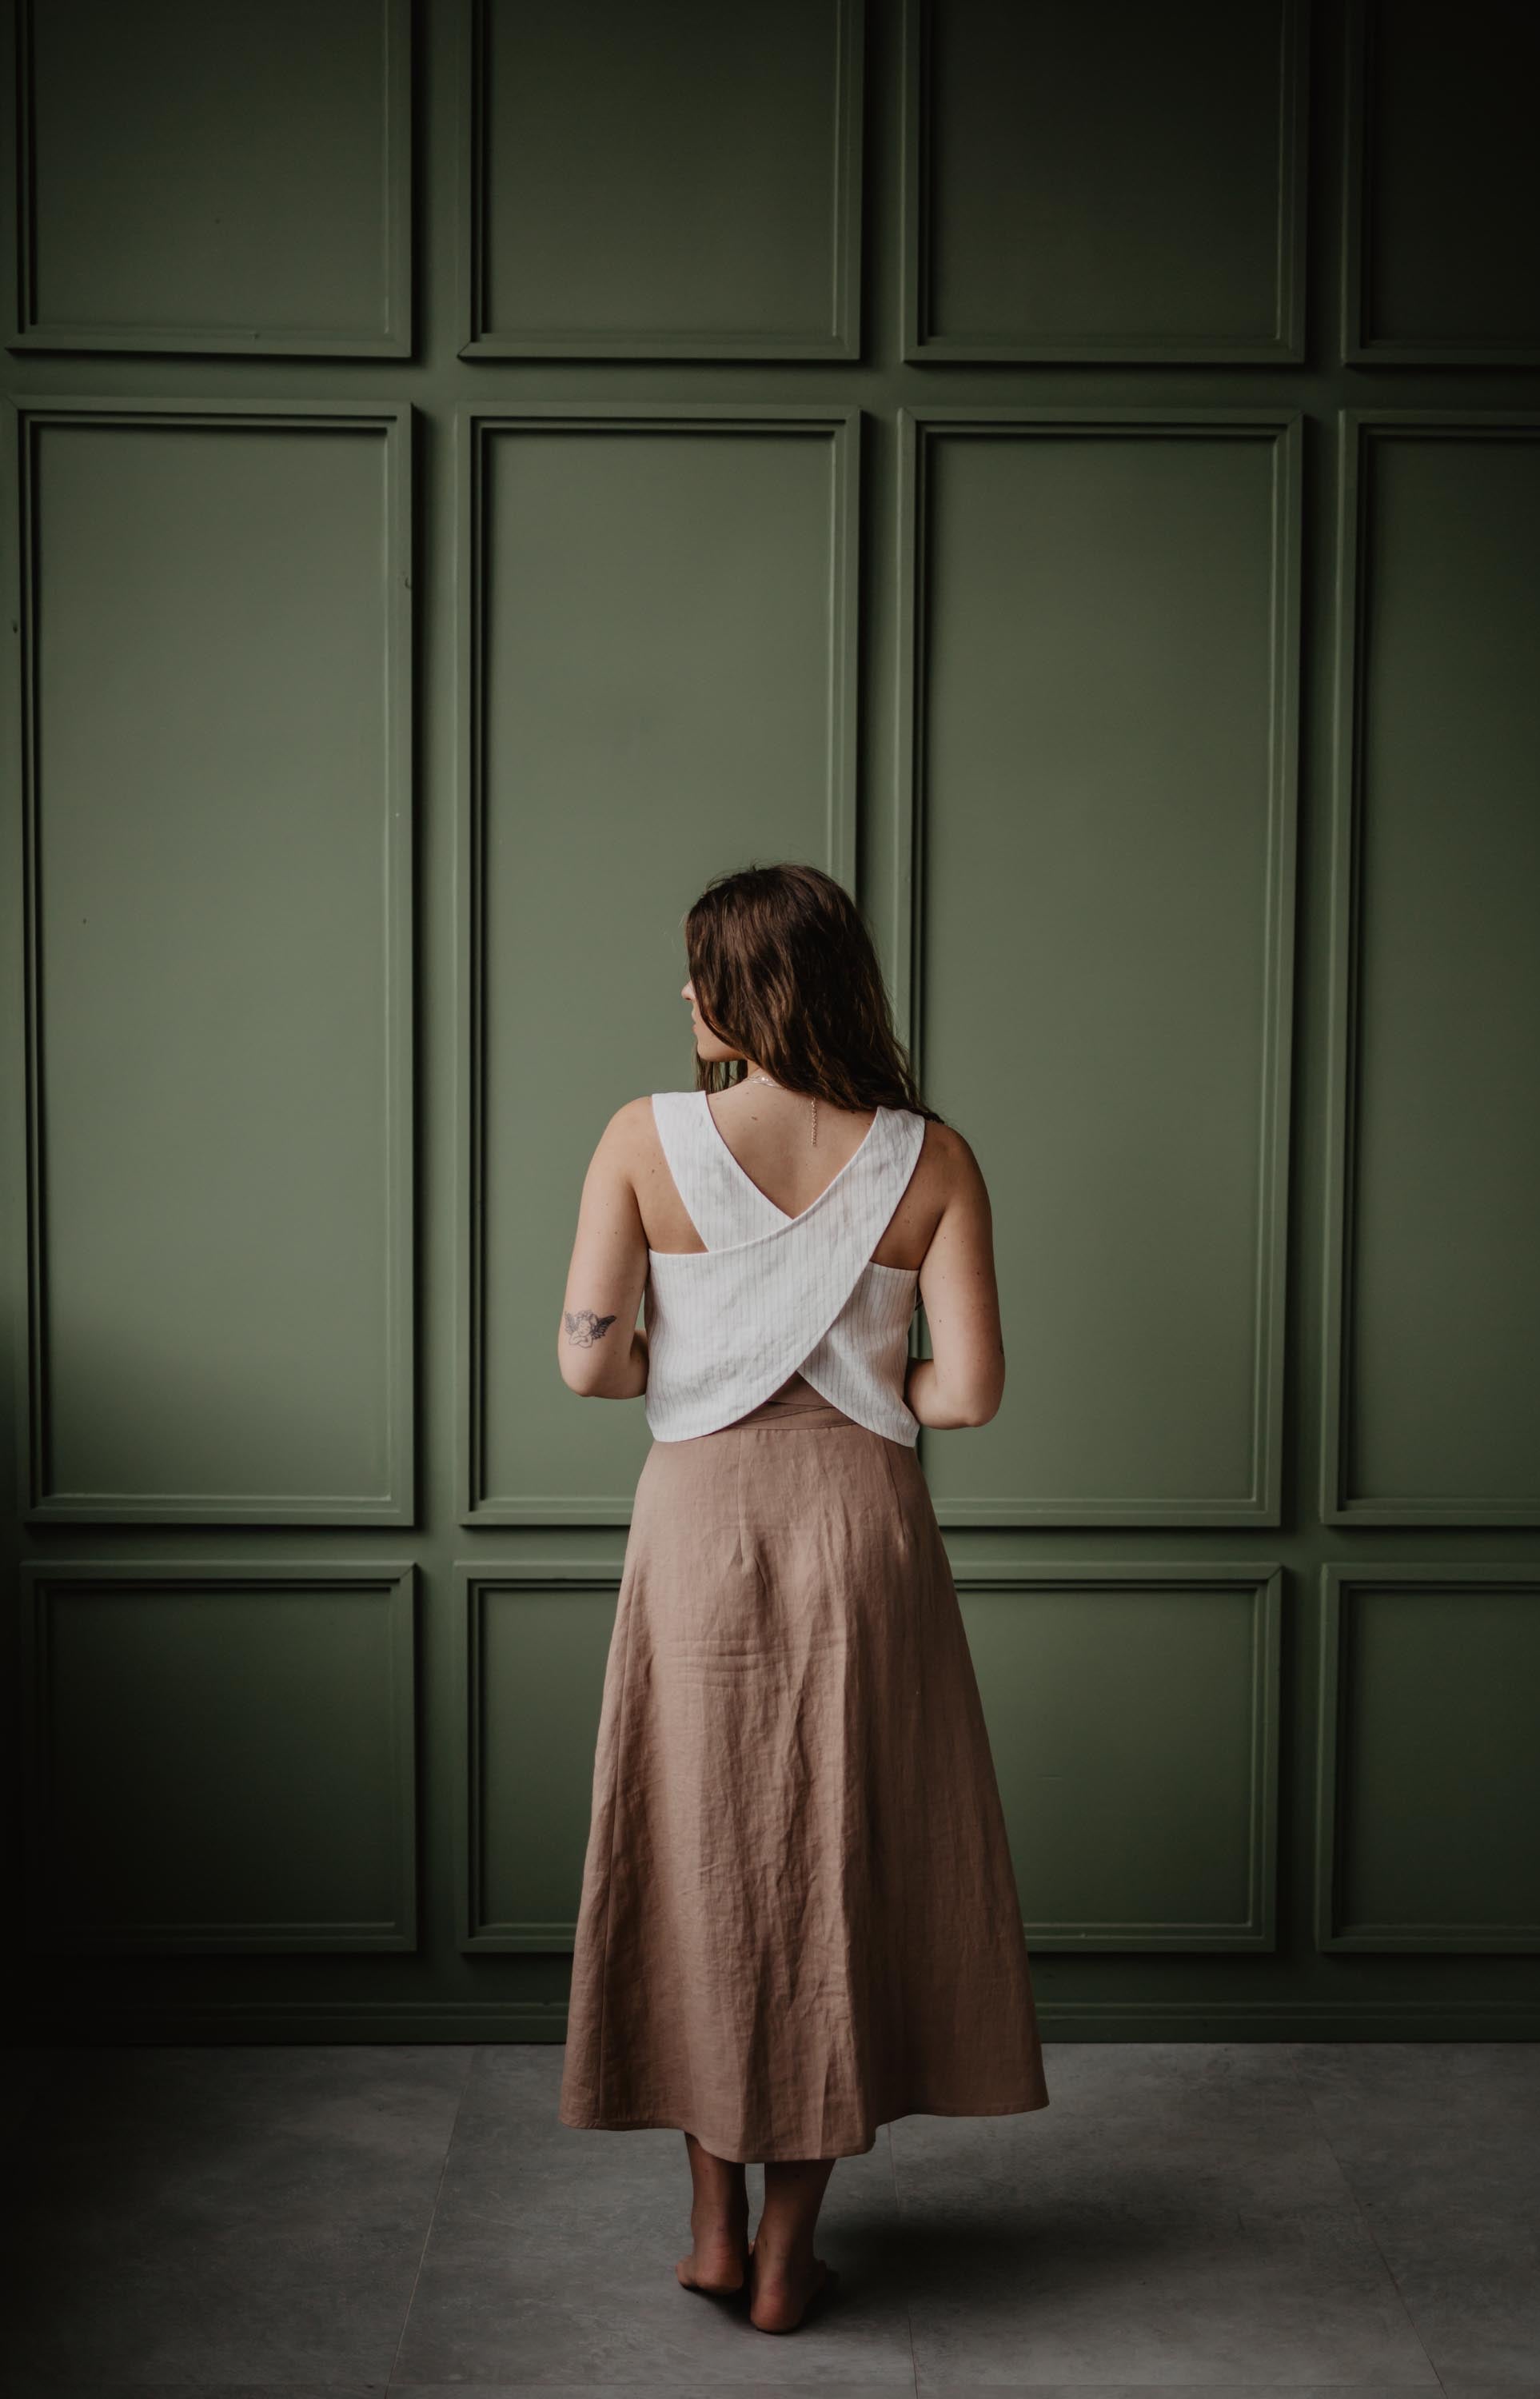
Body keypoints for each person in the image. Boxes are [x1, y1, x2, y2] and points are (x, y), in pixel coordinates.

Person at [554, 860, 1047, 2334]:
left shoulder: (644, 1139)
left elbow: (588, 1357)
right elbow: (968, 1395)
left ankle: (711, 2234)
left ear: (731, 994)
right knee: (841, 1863)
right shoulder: (930, 1156)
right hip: (862, 1530)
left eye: (695, 971)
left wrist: (695, 1369)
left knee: (704, 1859)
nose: (681, 997)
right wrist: (860, 1379)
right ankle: (787, 2260)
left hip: (699, 1527)